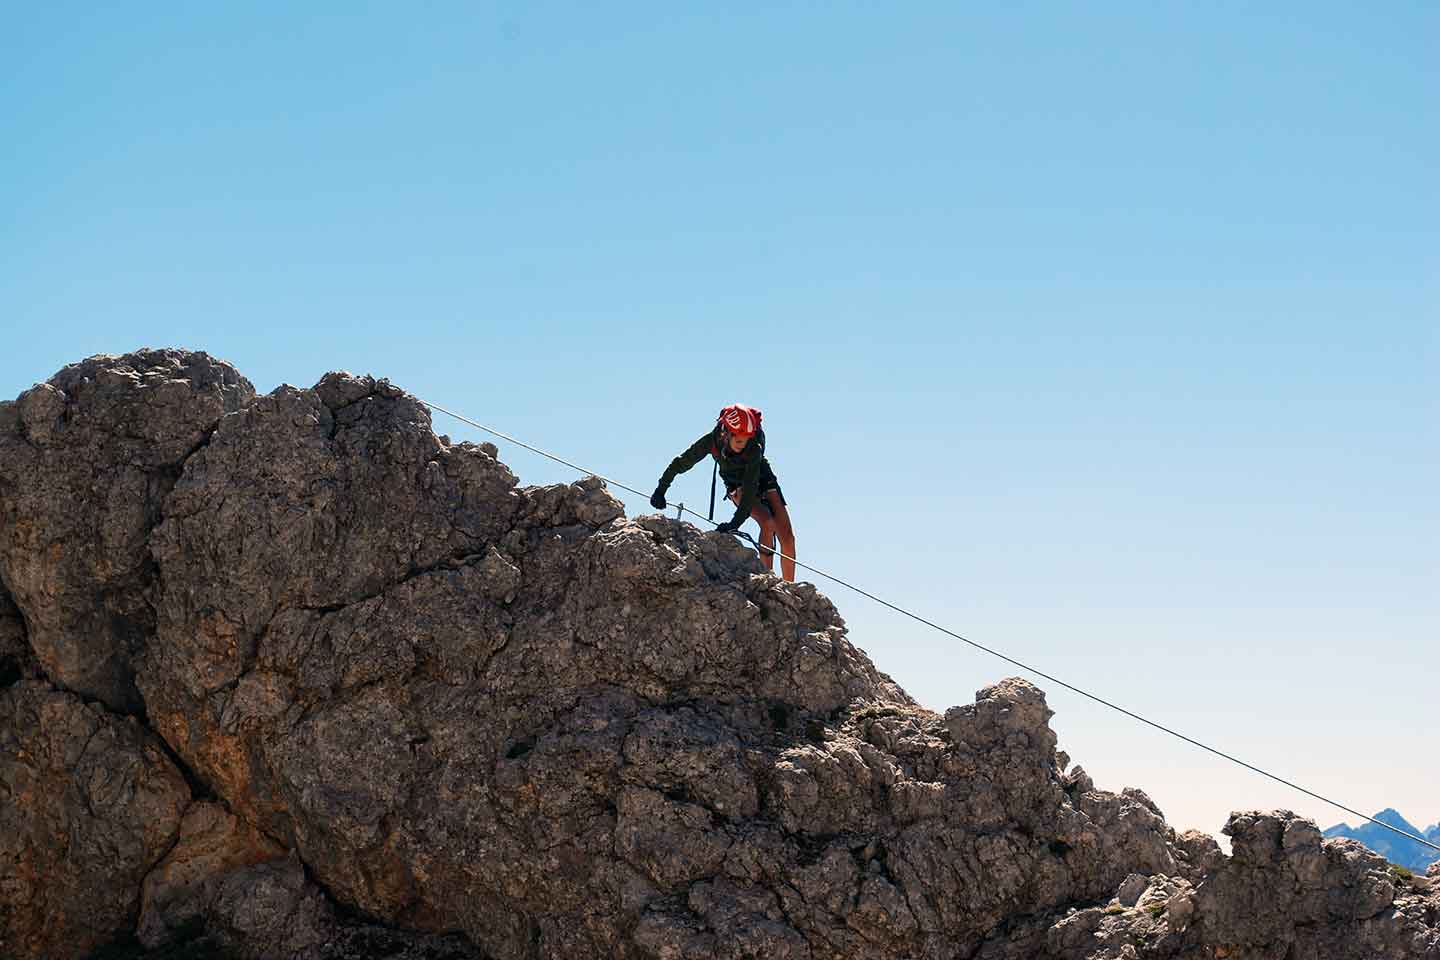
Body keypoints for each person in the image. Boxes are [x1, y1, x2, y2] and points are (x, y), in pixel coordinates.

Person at [650, 404, 797, 581]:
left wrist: (734, 523)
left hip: (761, 476)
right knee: (767, 522)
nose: (743, 445)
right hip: (736, 484)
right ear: (726, 434)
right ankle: (769, 579)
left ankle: (789, 586)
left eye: (746, 440)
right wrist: (661, 489)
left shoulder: (753, 447)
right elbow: (681, 463)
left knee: (787, 537)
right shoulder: (711, 441)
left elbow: (751, 487)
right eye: (739, 441)